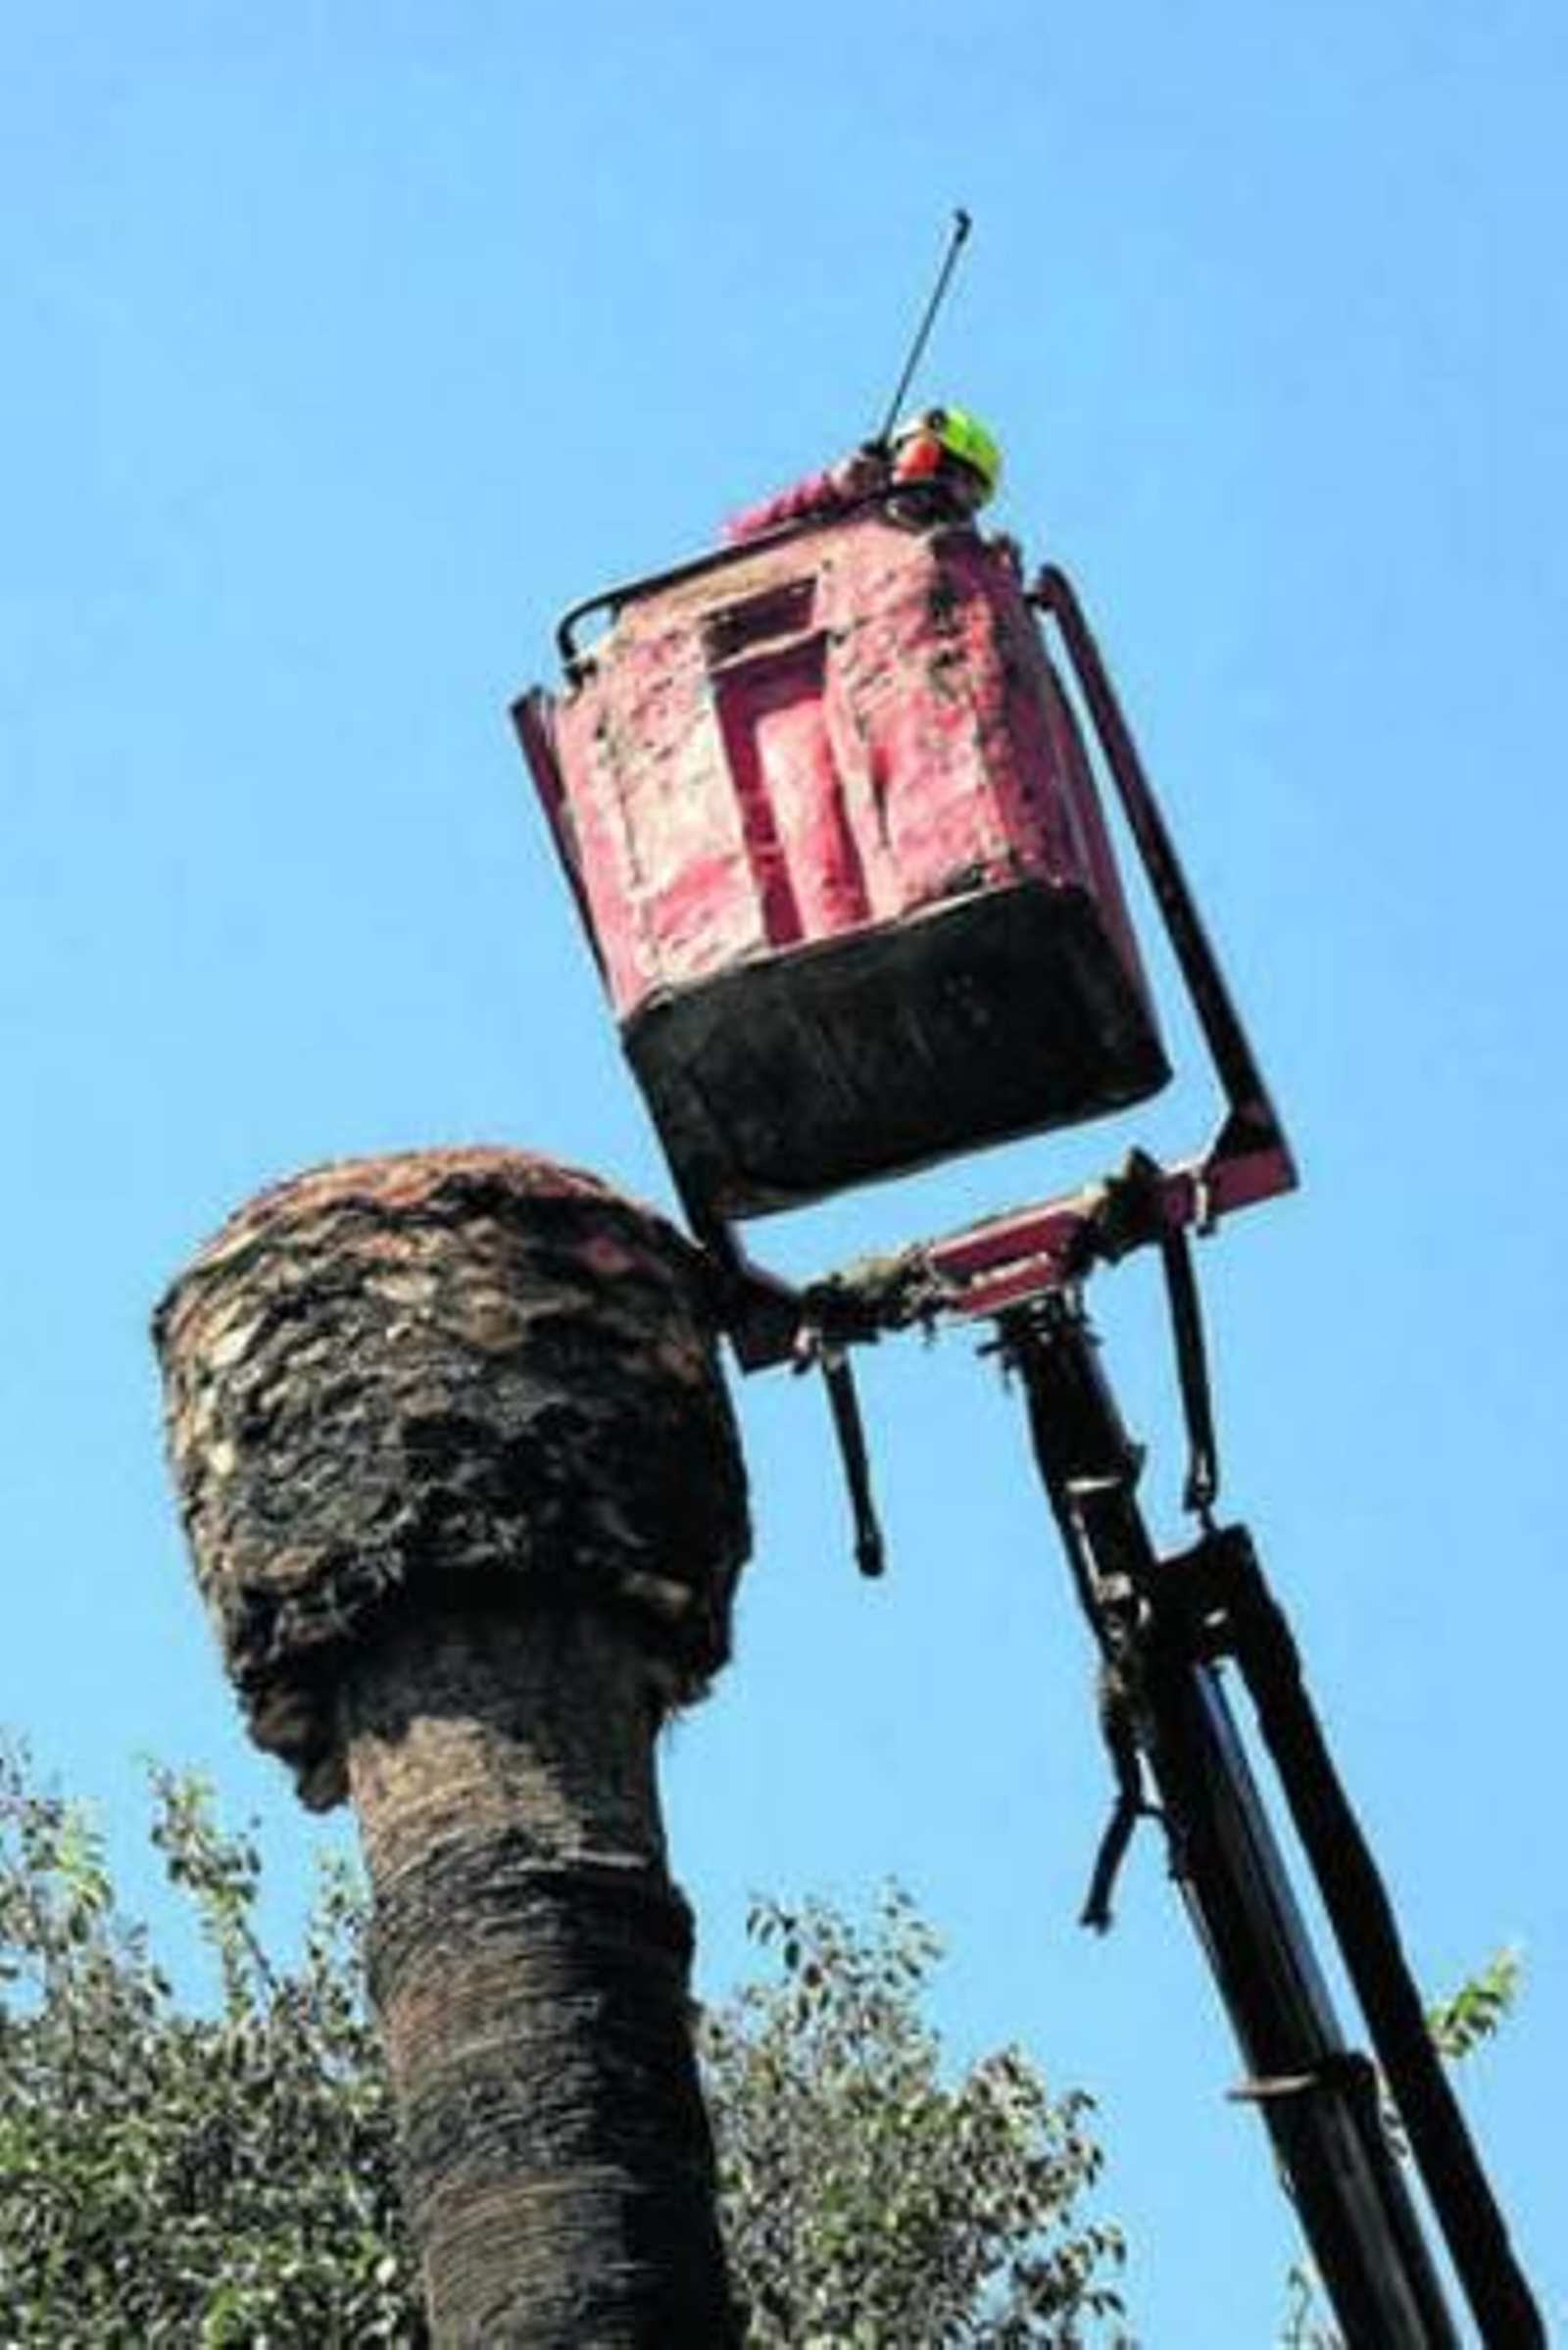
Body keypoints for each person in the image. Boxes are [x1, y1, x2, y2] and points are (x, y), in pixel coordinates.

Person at [721, 404, 1003, 544]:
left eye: (969, 490)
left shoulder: (961, 554)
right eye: (921, 455)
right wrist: (829, 487)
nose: (943, 489)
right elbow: (737, 535)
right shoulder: (843, 518)